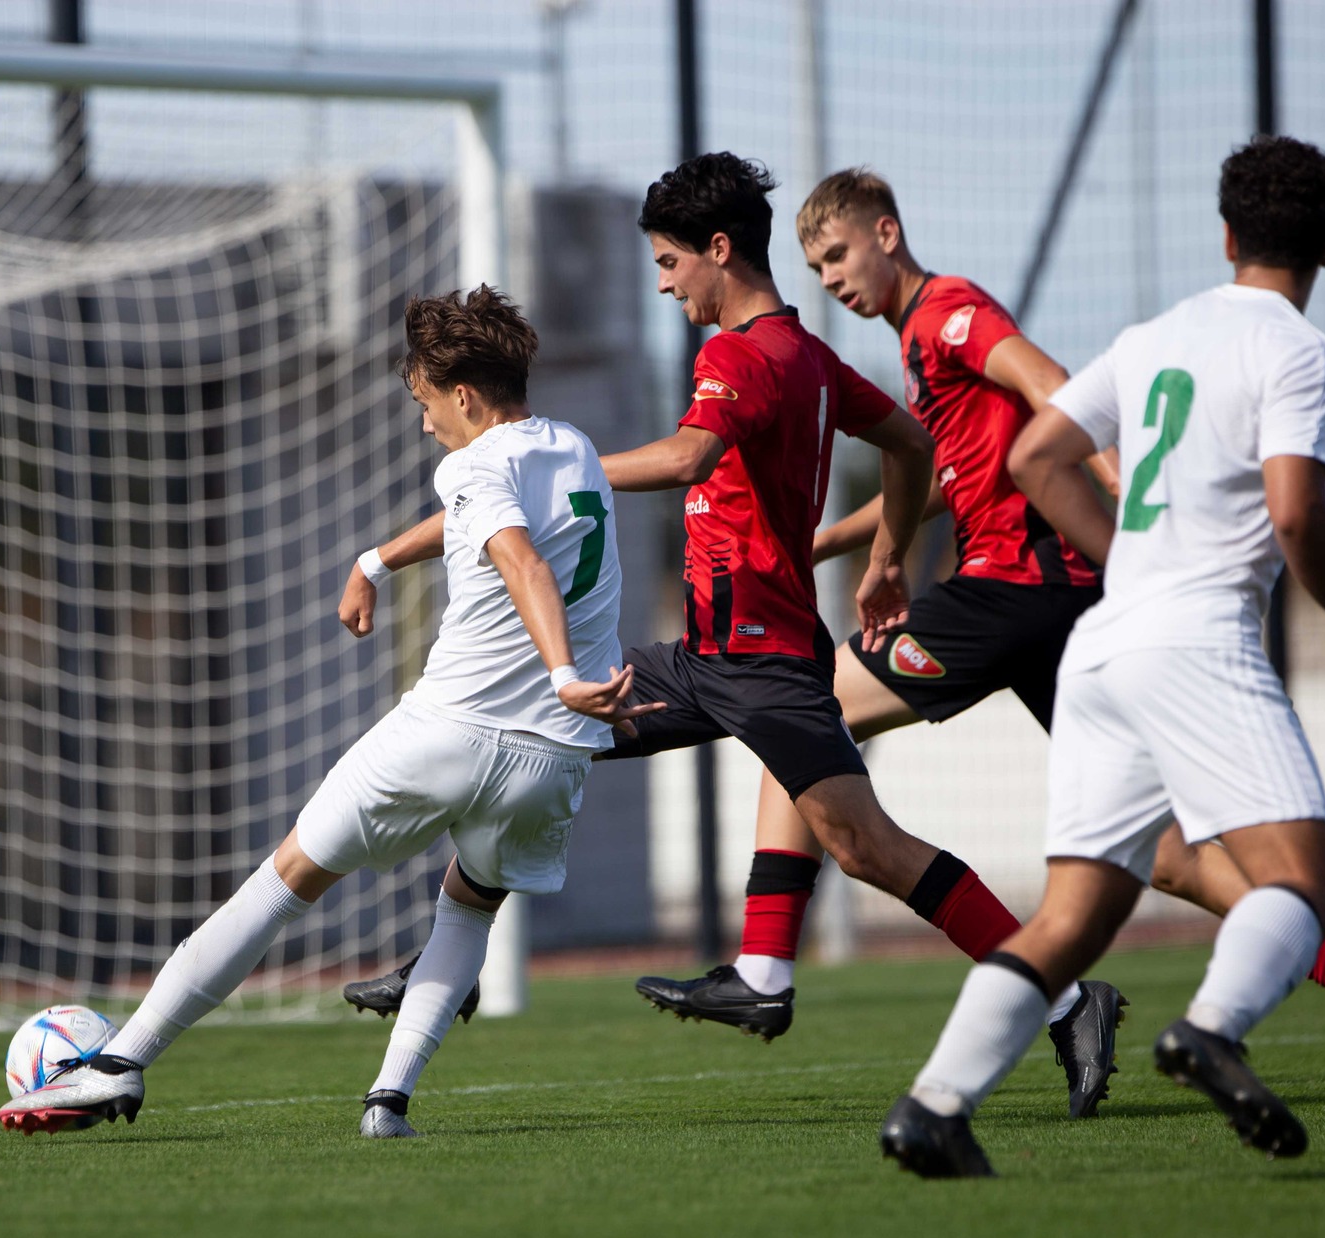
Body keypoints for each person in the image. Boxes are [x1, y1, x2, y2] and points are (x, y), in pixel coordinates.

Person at [347, 152, 1121, 1114]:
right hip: (705, 655)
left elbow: (688, 456)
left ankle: (1070, 997)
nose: (663, 282)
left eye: (671, 263)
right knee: (533, 730)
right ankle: (445, 965)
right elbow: (913, 446)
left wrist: (571, 462)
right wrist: (884, 554)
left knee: (868, 845)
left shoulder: (742, 356)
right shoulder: (811, 355)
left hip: (765, 665)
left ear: (719, 251)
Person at [637, 167, 1325, 1092]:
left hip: (1010, 590)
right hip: (1058, 608)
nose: (832, 280)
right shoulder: (914, 343)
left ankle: (765, 969)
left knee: (804, 705)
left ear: (886, 233)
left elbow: (1052, 388)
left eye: (840, 255)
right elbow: (950, 473)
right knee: (1170, 851)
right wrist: (855, 545)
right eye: (818, 267)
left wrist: (1119, 495)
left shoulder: (949, 313)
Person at [0, 286, 655, 1138]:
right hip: (552, 756)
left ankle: (119, 1065)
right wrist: (377, 559)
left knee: (285, 880)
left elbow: (518, 557)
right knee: (469, 904)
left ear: (462, 396)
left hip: (451, 731)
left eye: (424, 404)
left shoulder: (468, 463)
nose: (424, 425)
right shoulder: (573, 449)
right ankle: (388, 1102)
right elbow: (485, 524)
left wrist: (562, 669)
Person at [882, 135, 1325, 1177]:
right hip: (1196, 641)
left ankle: (932, 1107)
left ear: (1223, 234)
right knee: (1302, 887)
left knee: (1072, 918)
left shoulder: (1157, 332)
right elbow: (1295, 512)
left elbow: (1034, 456)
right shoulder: (1301, 352)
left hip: (1101, 644)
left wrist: (1126, 560)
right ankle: (1210, 1028)